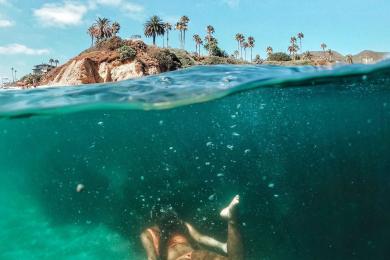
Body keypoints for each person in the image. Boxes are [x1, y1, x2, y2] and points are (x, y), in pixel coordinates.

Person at [140, 195, 244, 260]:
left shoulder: (180, 225)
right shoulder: (149, 234)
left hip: (196, 255)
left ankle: (231, 218)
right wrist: (221, 246)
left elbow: (200, 238)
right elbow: (201, 238)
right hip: (197, 255)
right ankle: (231, 220)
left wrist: (221, 245)